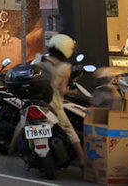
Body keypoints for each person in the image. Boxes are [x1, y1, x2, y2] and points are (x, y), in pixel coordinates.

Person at [38, 34, 86, 167]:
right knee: (70, 131)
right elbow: (62, 90)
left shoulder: (40, 61)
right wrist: (73, 92)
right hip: (54, 105)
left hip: (37, 104)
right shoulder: (65, 68)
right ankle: (82, 159)